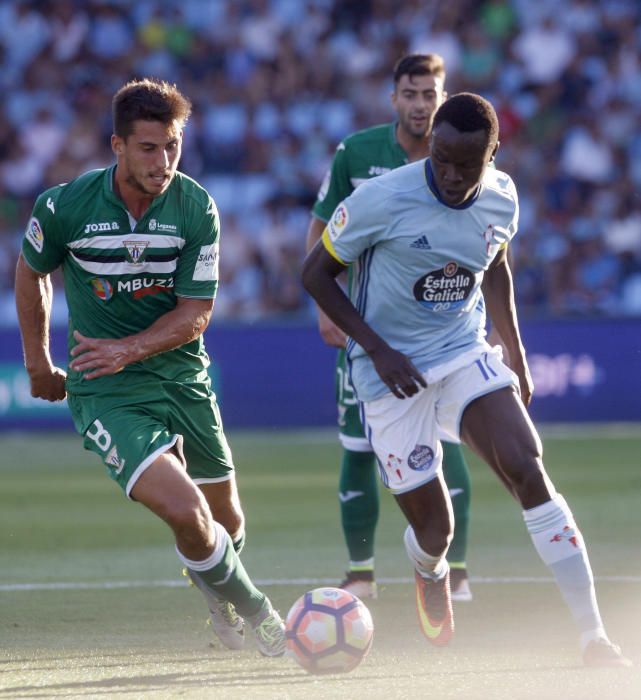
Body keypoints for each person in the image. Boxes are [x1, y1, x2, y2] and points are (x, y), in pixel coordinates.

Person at [301, 92, 630, 667]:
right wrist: (375, 350)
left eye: (465, 165)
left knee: (528, 468)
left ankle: (594, 637)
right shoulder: (381, 198)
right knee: (437, 531)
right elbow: (315, 274)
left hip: (460, 350)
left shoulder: (503, 196)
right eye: (441, 159)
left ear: (493, 154)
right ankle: (429, 570)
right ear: (430, 146)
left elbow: (494, 263)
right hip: (389, 373)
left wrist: (516, 351)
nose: (450, 176)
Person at [14, 78, 285, 657]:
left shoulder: (195, 207)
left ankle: (218, 594)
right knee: (186, 511)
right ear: (117, 146)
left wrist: (129, 347)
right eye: (148, 148)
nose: (163, 161)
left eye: (172, 146)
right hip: (106, 389)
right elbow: (30, 269)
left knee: (225, 520)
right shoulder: (64, 206)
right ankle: (261, 611)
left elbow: (195, 314)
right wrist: (38, 362)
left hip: (182, 375)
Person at [306, 54, 473, 601]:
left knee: (448, 447)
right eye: (411, 93)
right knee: (357, 447)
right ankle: (361, 571)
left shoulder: (461, 155)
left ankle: (457, 569)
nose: (421, 104)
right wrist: (325, 310)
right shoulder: (357, 152)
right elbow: (323, 227)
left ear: (443, 98)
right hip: (368, 332)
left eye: (430, 94)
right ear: (393, 98)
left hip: (443, 331)